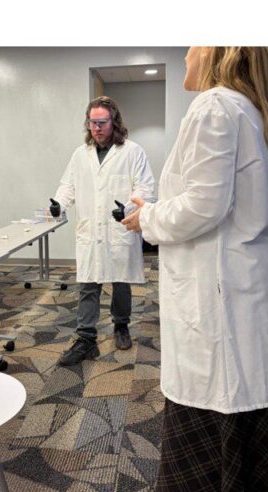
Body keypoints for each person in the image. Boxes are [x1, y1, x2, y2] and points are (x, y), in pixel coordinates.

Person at [121, 47, 268, 492]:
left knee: (225, 394)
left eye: (195, 41)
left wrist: (148, 218)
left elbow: (203, 206)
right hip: (251, 288)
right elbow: (229, 199)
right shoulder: (259, 111)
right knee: (249, 397)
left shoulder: (215, 105)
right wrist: (158, 204)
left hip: (223, 296)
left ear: (224, 47)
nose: (186, 53)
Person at [49, 96, 156, 366]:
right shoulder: (80, 154)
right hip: (90, 230)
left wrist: (130, 208)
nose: (96, 128)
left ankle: (121, 325)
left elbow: (145, 188)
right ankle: (86, 337)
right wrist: (59, 204)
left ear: (114, 122)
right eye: (92, 123)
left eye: (102, 122)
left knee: (120, 281)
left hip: (119, 227)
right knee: (88, 284)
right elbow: (68, 186)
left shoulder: (132, 151)